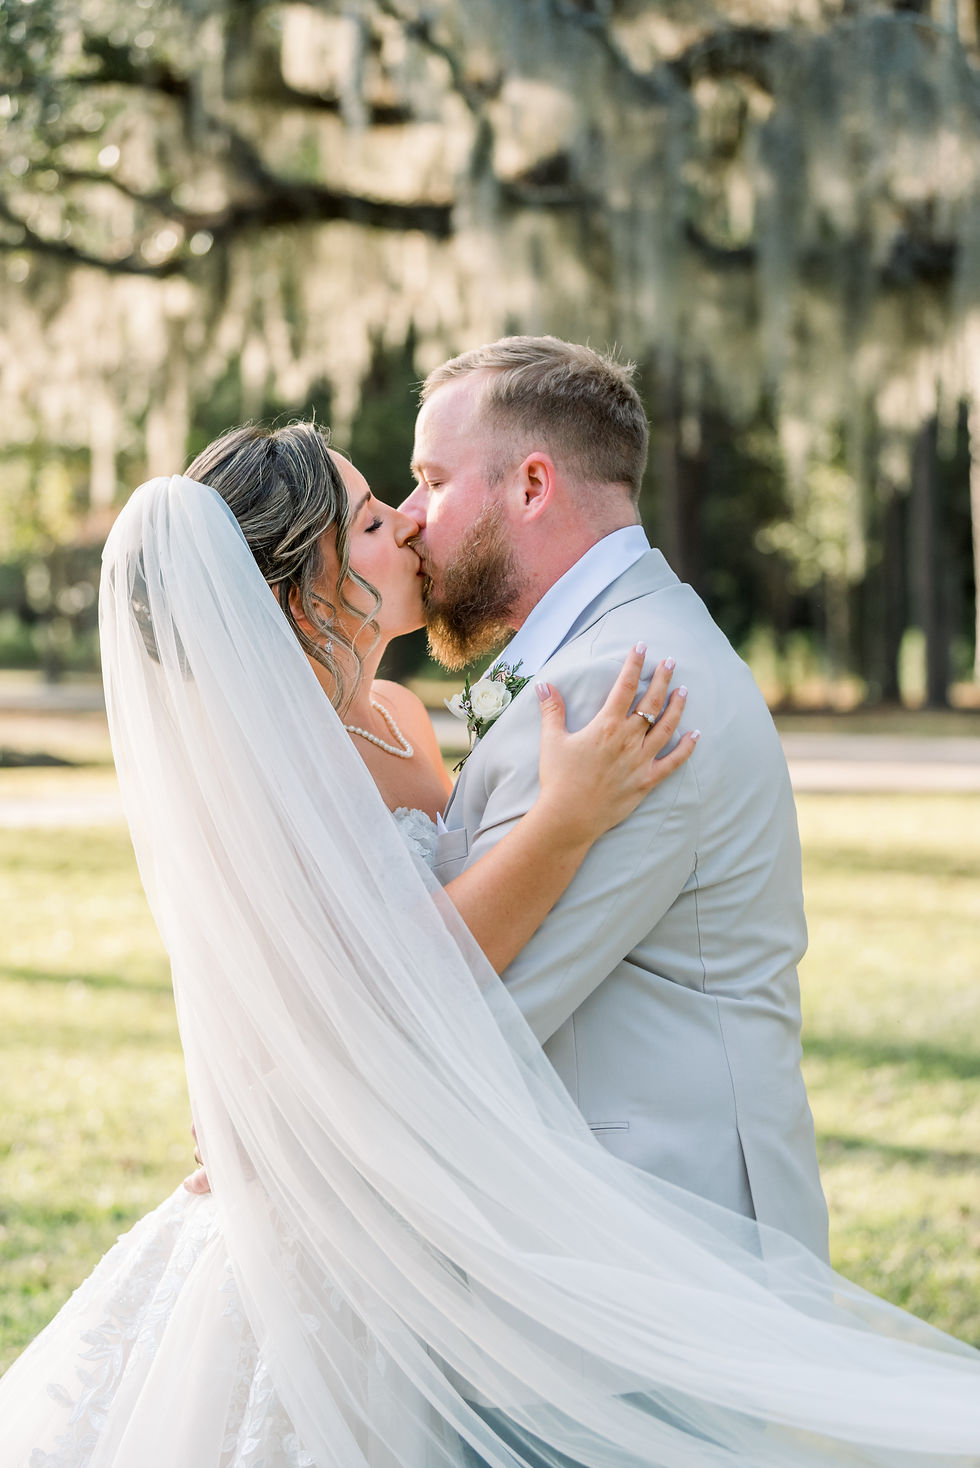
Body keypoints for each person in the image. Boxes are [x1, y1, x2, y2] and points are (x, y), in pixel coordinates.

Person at [2, 425, 979, 1468]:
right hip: (330, 1232)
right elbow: (404, 984)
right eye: (374, 519)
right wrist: (564, 818)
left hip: (420, 1195)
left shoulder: (392, 715)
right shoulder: (262, 768)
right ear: (301, 588)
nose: (411, 522)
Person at [403, 337, 829, 1259]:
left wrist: (275, 1109)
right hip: (643, 1237)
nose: (409, 520)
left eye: (432, 482)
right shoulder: (626, 644)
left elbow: (491, 999)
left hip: (657, 1242)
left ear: (530, 485)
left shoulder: (624, 684)